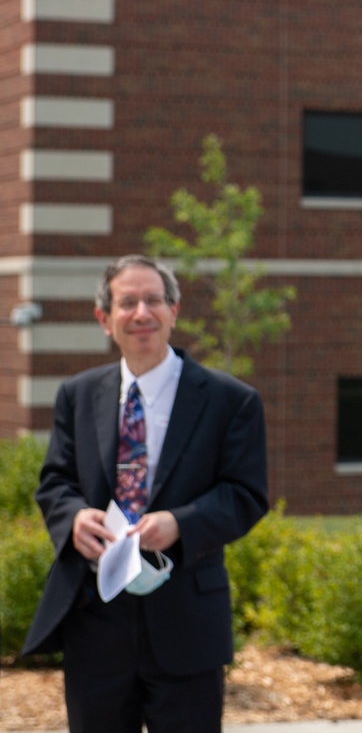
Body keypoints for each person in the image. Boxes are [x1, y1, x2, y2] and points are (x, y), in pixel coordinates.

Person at [22, 254, 270, 733]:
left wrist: (181, 523)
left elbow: (246, 494)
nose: (142, 313)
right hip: (95, 620)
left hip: (187, 619)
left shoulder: (231, 400)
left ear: (174, 311)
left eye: (153, 300)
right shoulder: (77, 394)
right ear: (104, 318)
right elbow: (55, 482)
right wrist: (73, 517)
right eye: (127, 302)